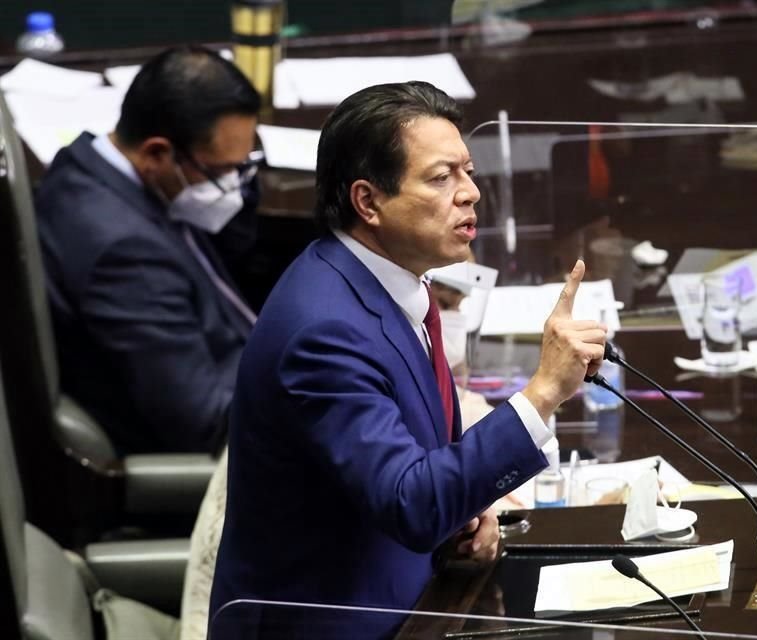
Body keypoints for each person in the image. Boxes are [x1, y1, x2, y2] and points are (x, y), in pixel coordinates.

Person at [210, 80, 606, 638]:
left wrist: (463, 513)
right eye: (442, 178)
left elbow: (409, 465)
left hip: (413, 591)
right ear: (368, 201)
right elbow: (410, 501)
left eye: (467, 171)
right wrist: (543, 391)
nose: (469, 193)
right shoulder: (323, 331)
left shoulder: (390, 283)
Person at [35, 46, 262, 454]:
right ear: (158, 153)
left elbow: (236, 254)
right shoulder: (124, 255)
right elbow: (204, 421)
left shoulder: (84, 162)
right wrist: (317, 388)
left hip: (241, 353)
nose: (233, 185)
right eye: (224, 169)